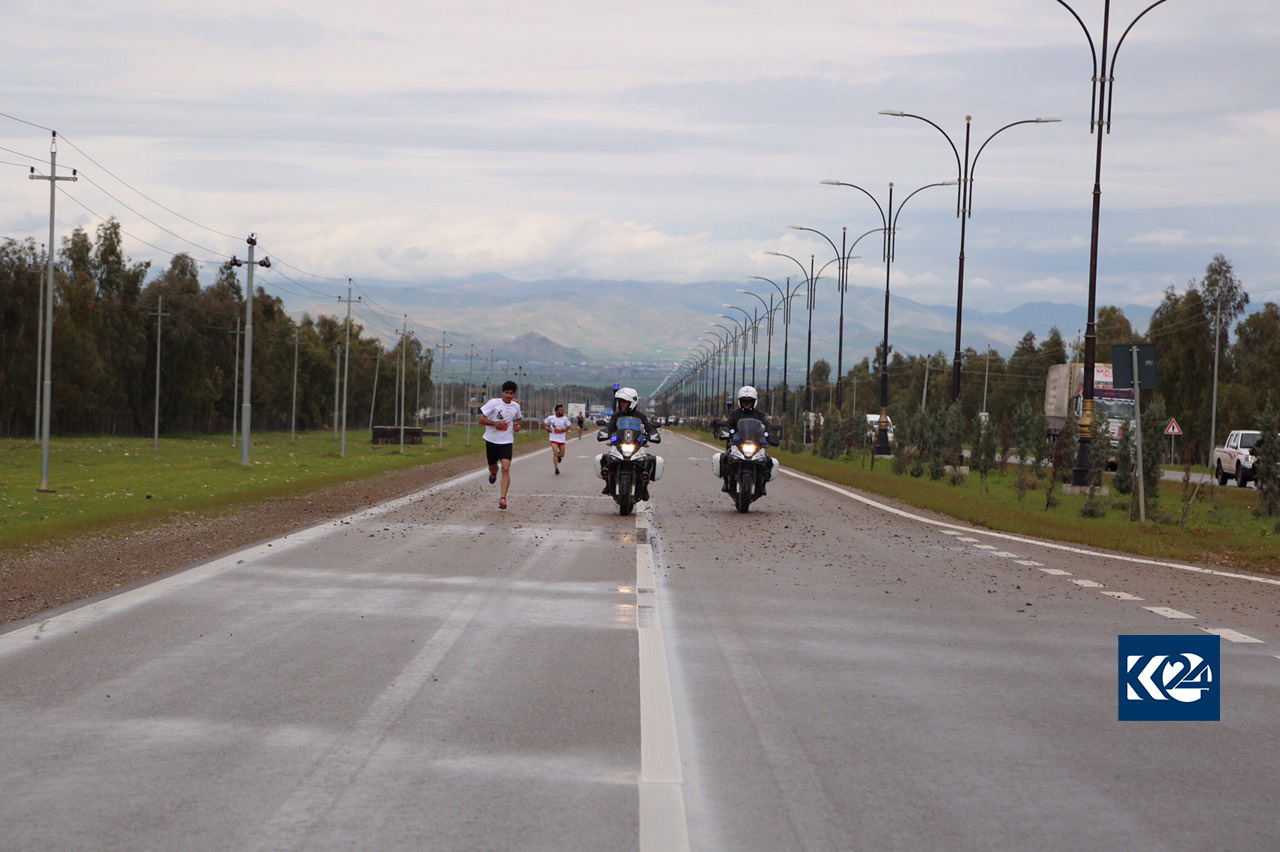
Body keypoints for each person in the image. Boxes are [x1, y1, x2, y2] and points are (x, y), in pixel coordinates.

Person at [599, 387, 661, 500]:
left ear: (631, 403)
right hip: (619, 444)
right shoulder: (616, 415)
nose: (621, 404)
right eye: (620, 402)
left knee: (649, 461)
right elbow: (610, 426)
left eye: (624, 402)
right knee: (605, 459)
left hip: (637, 444)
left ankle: (644, 486)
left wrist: (652, 433)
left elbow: (648, 427)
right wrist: (605, 432)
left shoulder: (640, 416)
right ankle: (608, 484)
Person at [478, 380, 524, 510]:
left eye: (511, 393)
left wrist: (518, 426)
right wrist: (495, 424)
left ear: (514, 394)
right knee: (493, 467)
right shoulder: (493, 403)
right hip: (492, 440)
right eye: (507, 393)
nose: (508, 395)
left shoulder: (515, 407)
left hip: (506, 441)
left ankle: (503, 498)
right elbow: (481, 419)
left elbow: (520, 419)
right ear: (503, 392)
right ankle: (493, 473)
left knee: (506, 468)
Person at [720, 386, 775, 493]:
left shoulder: (759, 415)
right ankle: (726, 482)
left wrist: (769, 433)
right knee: (725, 458)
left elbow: (767, 424)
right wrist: (726, 431)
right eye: (744, 401)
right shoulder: (735, 414)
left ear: (754, 402)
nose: (747, 403)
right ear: (740, 402)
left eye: (749, 401)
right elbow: (728, 424)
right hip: (738, 443)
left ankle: (762, 484)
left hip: (756, 443)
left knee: (768, 461)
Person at [543, 403, 572, 474]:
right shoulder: (551, 418)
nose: (563, 412)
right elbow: (545, 423)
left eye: (563, 410)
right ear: (557, 411)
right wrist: (547, 428)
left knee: (562, 455)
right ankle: (556, 468)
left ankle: (559, 457)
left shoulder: (565, 419)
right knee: (555, 453)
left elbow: (568, 426)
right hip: (554, 438)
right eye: (561, 410)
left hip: (562, 439)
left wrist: (564, 429)